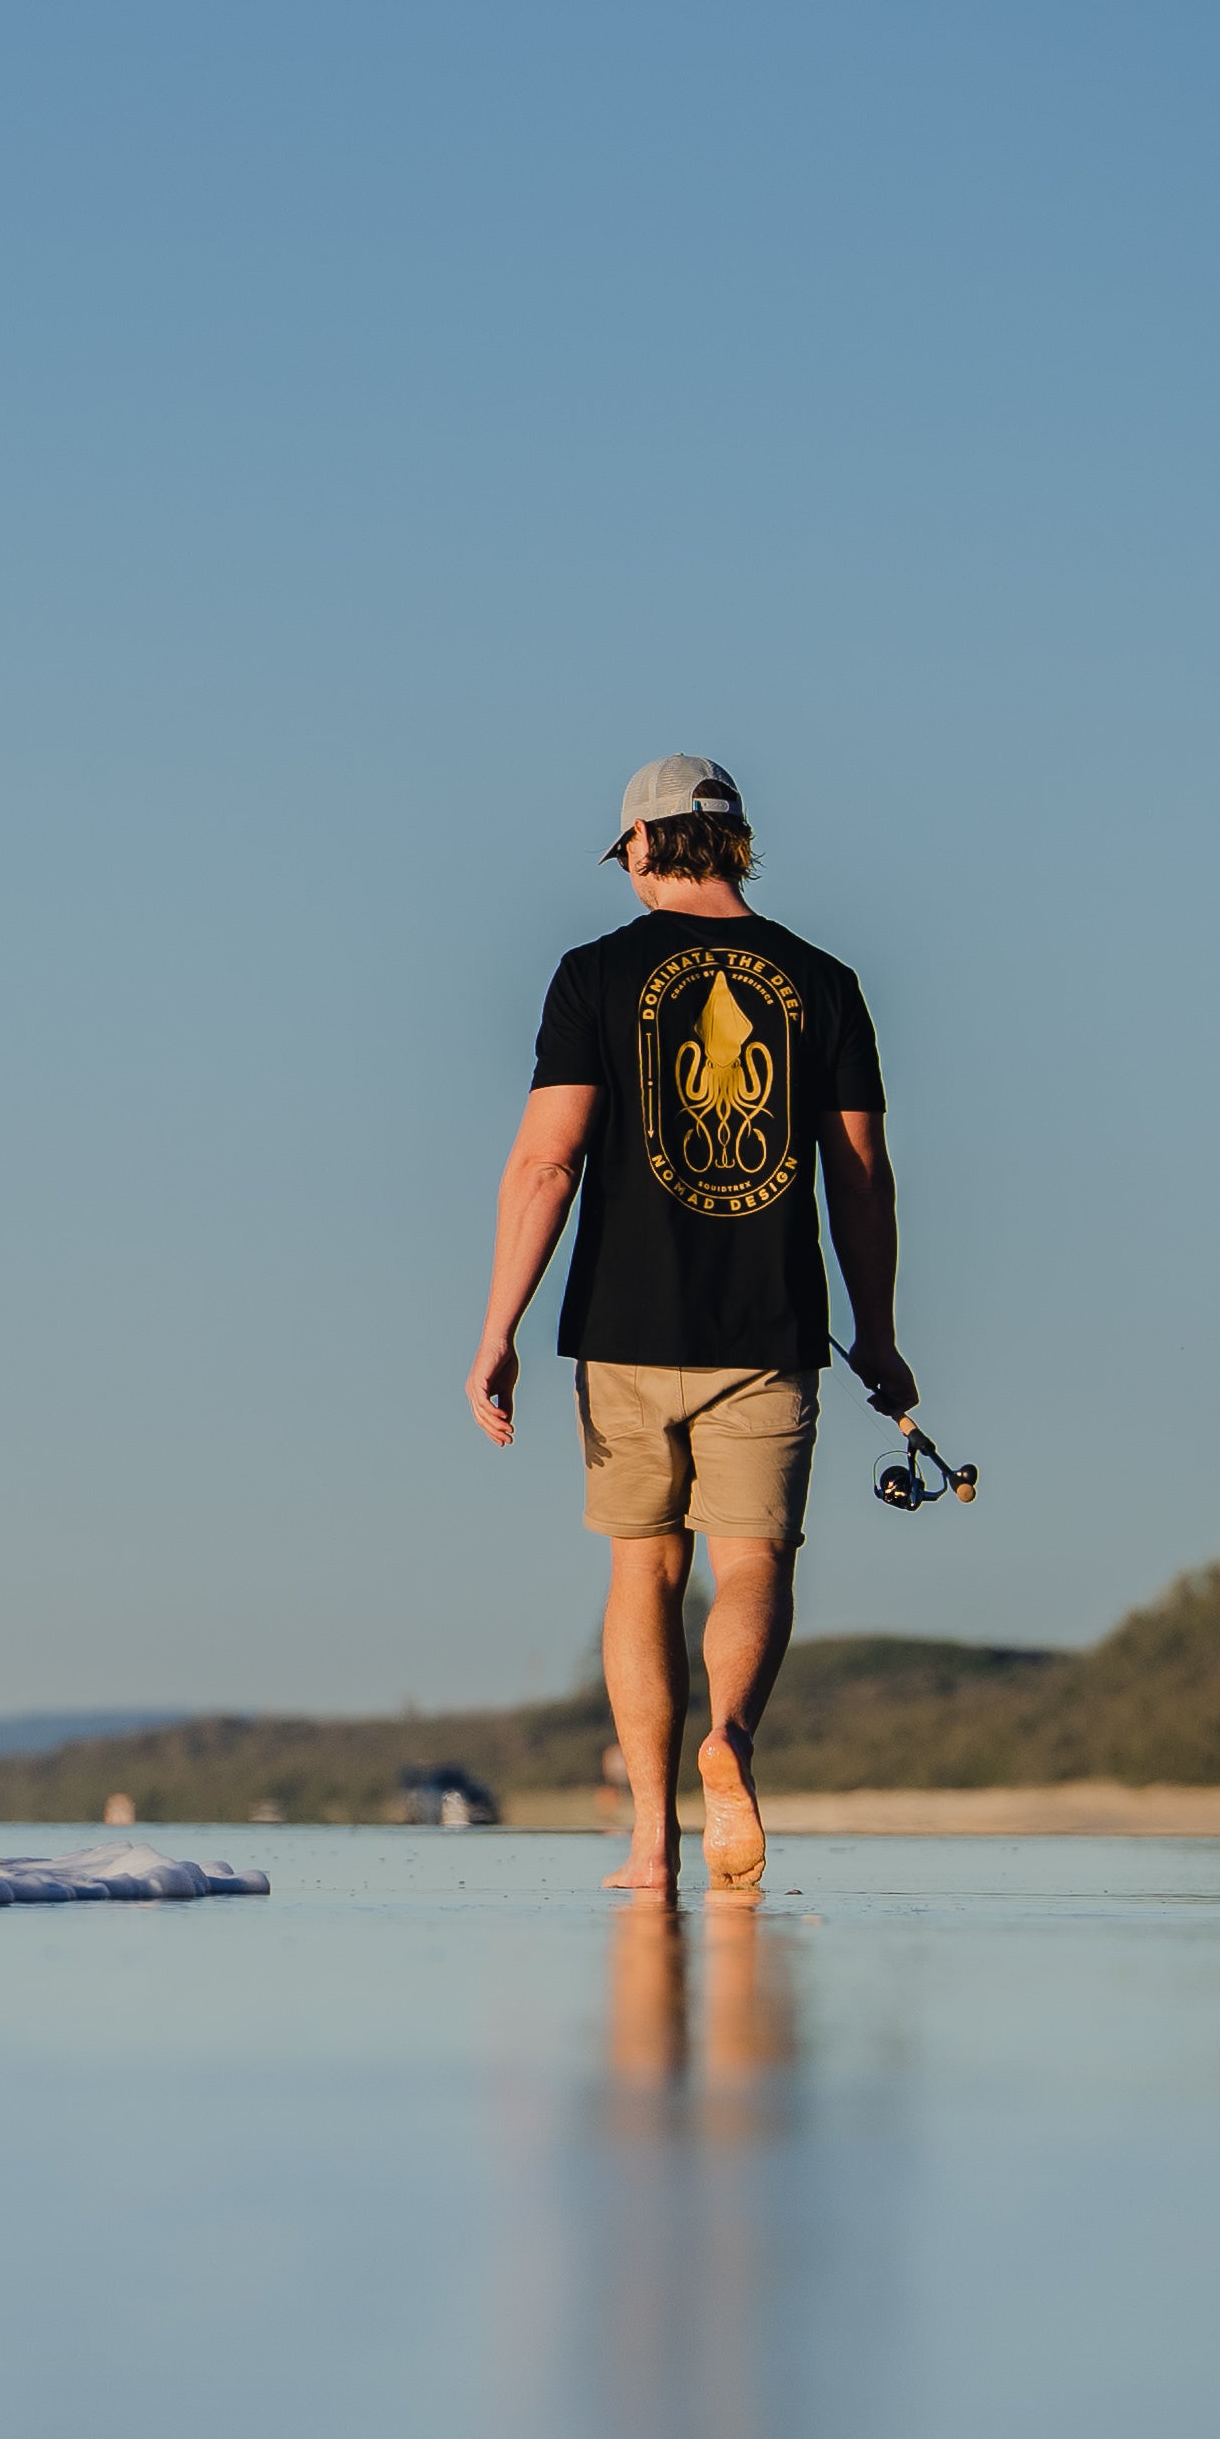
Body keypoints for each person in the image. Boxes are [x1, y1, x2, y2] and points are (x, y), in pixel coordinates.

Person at [466, 756, 912, 1893]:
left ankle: (650, 1841)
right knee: (753, 1560)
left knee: (641, 1575)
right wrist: (876, 1330)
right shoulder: (824, 980)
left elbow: (544, 1162)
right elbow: (859, 1175)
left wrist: (497, 1326)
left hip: (620, 1327)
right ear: (736, 843)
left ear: (645, 848)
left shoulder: (592, 976)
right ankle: (733, 1739)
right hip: (768, 1325)